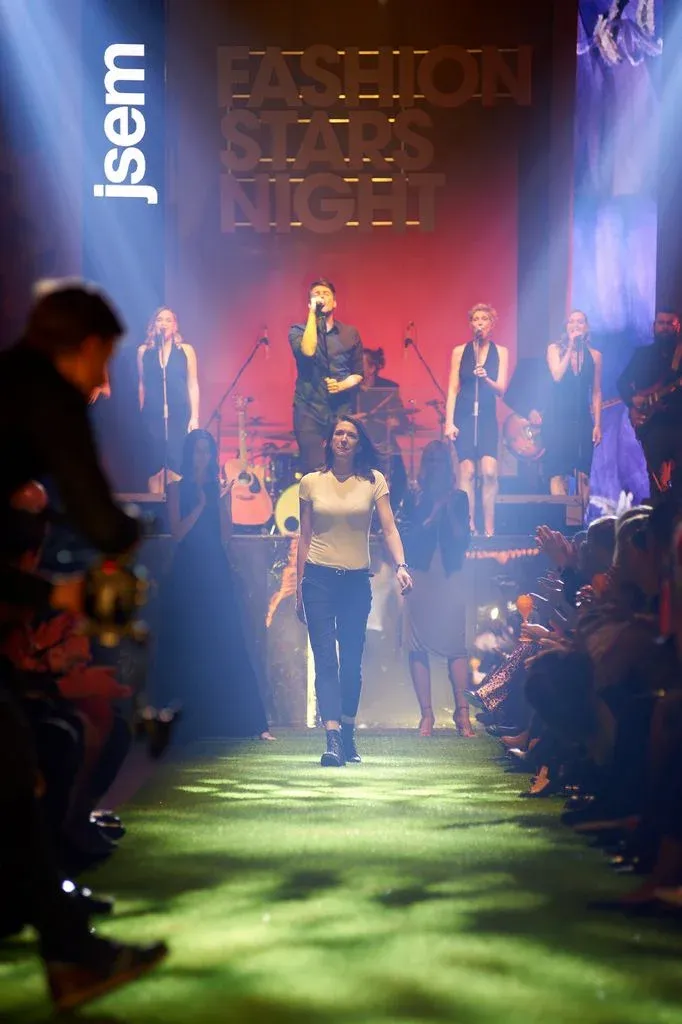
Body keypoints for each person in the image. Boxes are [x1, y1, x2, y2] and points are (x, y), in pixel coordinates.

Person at [0, 283, 166, 1011]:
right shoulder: (46, 395)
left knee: (12, 767)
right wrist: (130, 538)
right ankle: (70, 956)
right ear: (87, 346)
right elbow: (101, 519)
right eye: (105, 363)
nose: (103, 383)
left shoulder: (11, 384)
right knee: (11, 766)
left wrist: (54, 596)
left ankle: (70, 955)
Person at [296, 416, 413, 766]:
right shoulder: (311, 482)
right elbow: (304, 537)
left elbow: (389, 528)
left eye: (350, 435)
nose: (344, 439)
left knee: (351, 662)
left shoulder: (373, 481)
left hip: (355, 581)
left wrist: (401, 565)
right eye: (338, 434)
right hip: (318, 578)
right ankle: (332, 739)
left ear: (359, 444)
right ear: (329, 441)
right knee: (325, 660)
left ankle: (347, 731)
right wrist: (300, 587)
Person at [156, 430, 273, 741]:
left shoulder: (218, 488)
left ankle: (253, 724)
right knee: (186, 639)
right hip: (187, 570)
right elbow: (177, 533)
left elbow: (225, 536)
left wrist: (221, 503)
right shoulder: (176, 488)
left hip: (215, 569)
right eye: (197, 451)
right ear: (189, 453)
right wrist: (200, 506)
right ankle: (181, 722)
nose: (202, 457)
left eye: (207, 451)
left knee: (228, 638)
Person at [401, 441, 474, 737]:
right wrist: (432, 515)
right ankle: (427, 715)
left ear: (447, 465)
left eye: (439, 460)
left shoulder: (459, 497)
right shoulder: (414, 497)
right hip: (420, 574)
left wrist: (448, 510)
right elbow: (407, 537)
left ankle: (463, 713)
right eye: (430, 460)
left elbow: (463, 538)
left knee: (455, 643)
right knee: (417, 644)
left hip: (449, 574)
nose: (435, 466)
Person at [445, 303, 508, 536]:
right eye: (475, 319)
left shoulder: (500, 351)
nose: (479, 323)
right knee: (468, 472)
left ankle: (489, 529)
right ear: (471, 324)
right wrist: (449, 422)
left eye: (484, 319)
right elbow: (453, 389)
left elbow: (501, 389)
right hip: (464, 414)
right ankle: (469, 527)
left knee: (489, 472)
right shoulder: (460, 351)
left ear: (492, 324)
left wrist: (486, 378)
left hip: (487, 415)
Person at [288, 279, 364, 474]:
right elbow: (308, 350)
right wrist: (313, 315)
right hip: (309, 409)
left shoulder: (349, 333)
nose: (321, 296)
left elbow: (358, 374)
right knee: (314, 469)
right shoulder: (297, 331)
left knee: (342, 467)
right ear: (309, 303)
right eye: (317, 294)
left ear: (335, 302)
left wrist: (341, 385)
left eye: (326, 293)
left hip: (340, 410)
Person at [617, 309, 682, 496]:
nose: (665, 327)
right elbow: (622, 382)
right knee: (655, 480)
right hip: (652, 425)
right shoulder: (643, 355)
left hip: (678, 422)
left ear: (677, 327)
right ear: (654, 326)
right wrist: (633, 400)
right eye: (661, 323)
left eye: (670, 323)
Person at [137, 307, 199, 493]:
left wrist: (194, 416)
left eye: (168, 320)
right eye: (159, 320)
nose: (163, 324)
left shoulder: (186, 350)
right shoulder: (144, 351)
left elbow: (192, 384)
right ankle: (155, 506)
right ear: (153, 325)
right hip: (153, 414)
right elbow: (142, 384)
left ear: (175, 325)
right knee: (154, 464)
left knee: (176, 462)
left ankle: (176, 505)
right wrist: (141, 413)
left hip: (179, 413)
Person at [543, 310, 602, 503]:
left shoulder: (594, 356)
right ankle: (560, 518)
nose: (576, 325)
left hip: (581, 419)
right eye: (571, 322)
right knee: (558, 472)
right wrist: (570, 346)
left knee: (583, 474)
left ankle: (580, 519)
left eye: (580, 322)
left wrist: (597, 424)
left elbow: (596, 391)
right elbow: (557, 376)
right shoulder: (554, 349)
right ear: (566, 326)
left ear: (586, 327)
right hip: (557, 419)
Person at [357, 347, 409, 510]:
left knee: (398, 472)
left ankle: (392, 511)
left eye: (359, 364)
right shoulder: (350, 391)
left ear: (372, 368)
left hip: (383, 445)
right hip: (358, 446)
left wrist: (396, 421)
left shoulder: (388, 389)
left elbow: (403, 421)